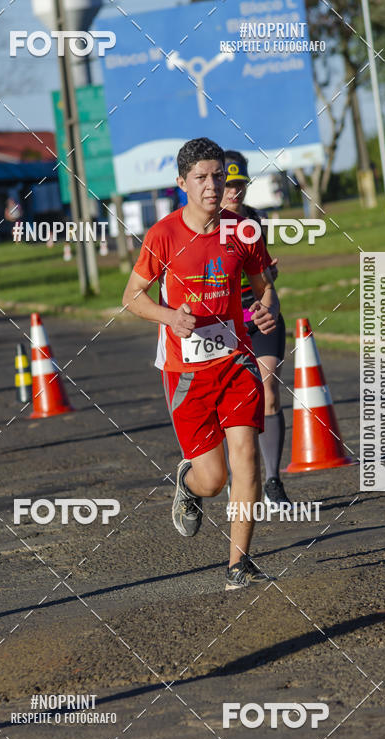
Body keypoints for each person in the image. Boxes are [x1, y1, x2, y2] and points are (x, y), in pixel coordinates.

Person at [122, 137, 280, 590]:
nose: (213, 185)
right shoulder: (163, 235)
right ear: (181, 184)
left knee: (246, 457)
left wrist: (265, 305)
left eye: (218, 176)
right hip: (186, 372)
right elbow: (131, 297)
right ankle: (189, 485)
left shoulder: (242, 231)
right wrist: (171, 316)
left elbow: (262, 284)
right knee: (214, 479)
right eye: (201, 178)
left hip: (236, 362)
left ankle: (238, 565)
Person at [221, 150, 290, 506]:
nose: (235, 192)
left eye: (240, 184)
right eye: (228, 185)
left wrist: (269, 276)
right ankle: (240, 475)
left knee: (270, 391)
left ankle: (274, 481)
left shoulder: (256, 220)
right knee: (236, 401)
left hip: (260, 313)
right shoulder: (207, 225)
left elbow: (262, 273)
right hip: (226, 321)